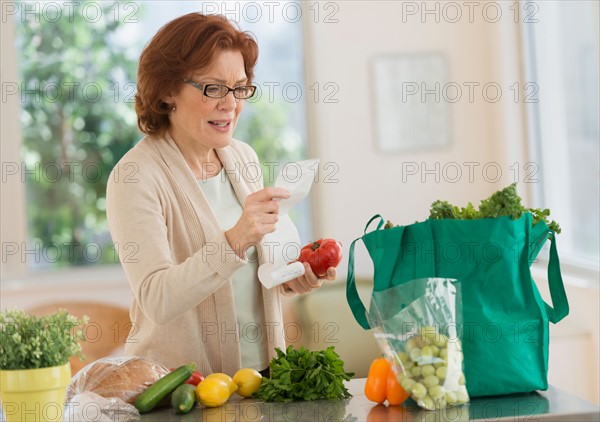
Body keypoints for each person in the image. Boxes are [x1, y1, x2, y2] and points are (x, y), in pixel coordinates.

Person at [106, 12, 336, 377]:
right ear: (168, 91)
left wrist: (291, 276)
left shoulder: (243, 157)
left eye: (240, 87)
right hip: (181, 390)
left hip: (261, 378)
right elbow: (157, 298)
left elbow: (249, 277)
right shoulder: (135, 177)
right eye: (213, 88)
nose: (230, 103)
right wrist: (236, 239)